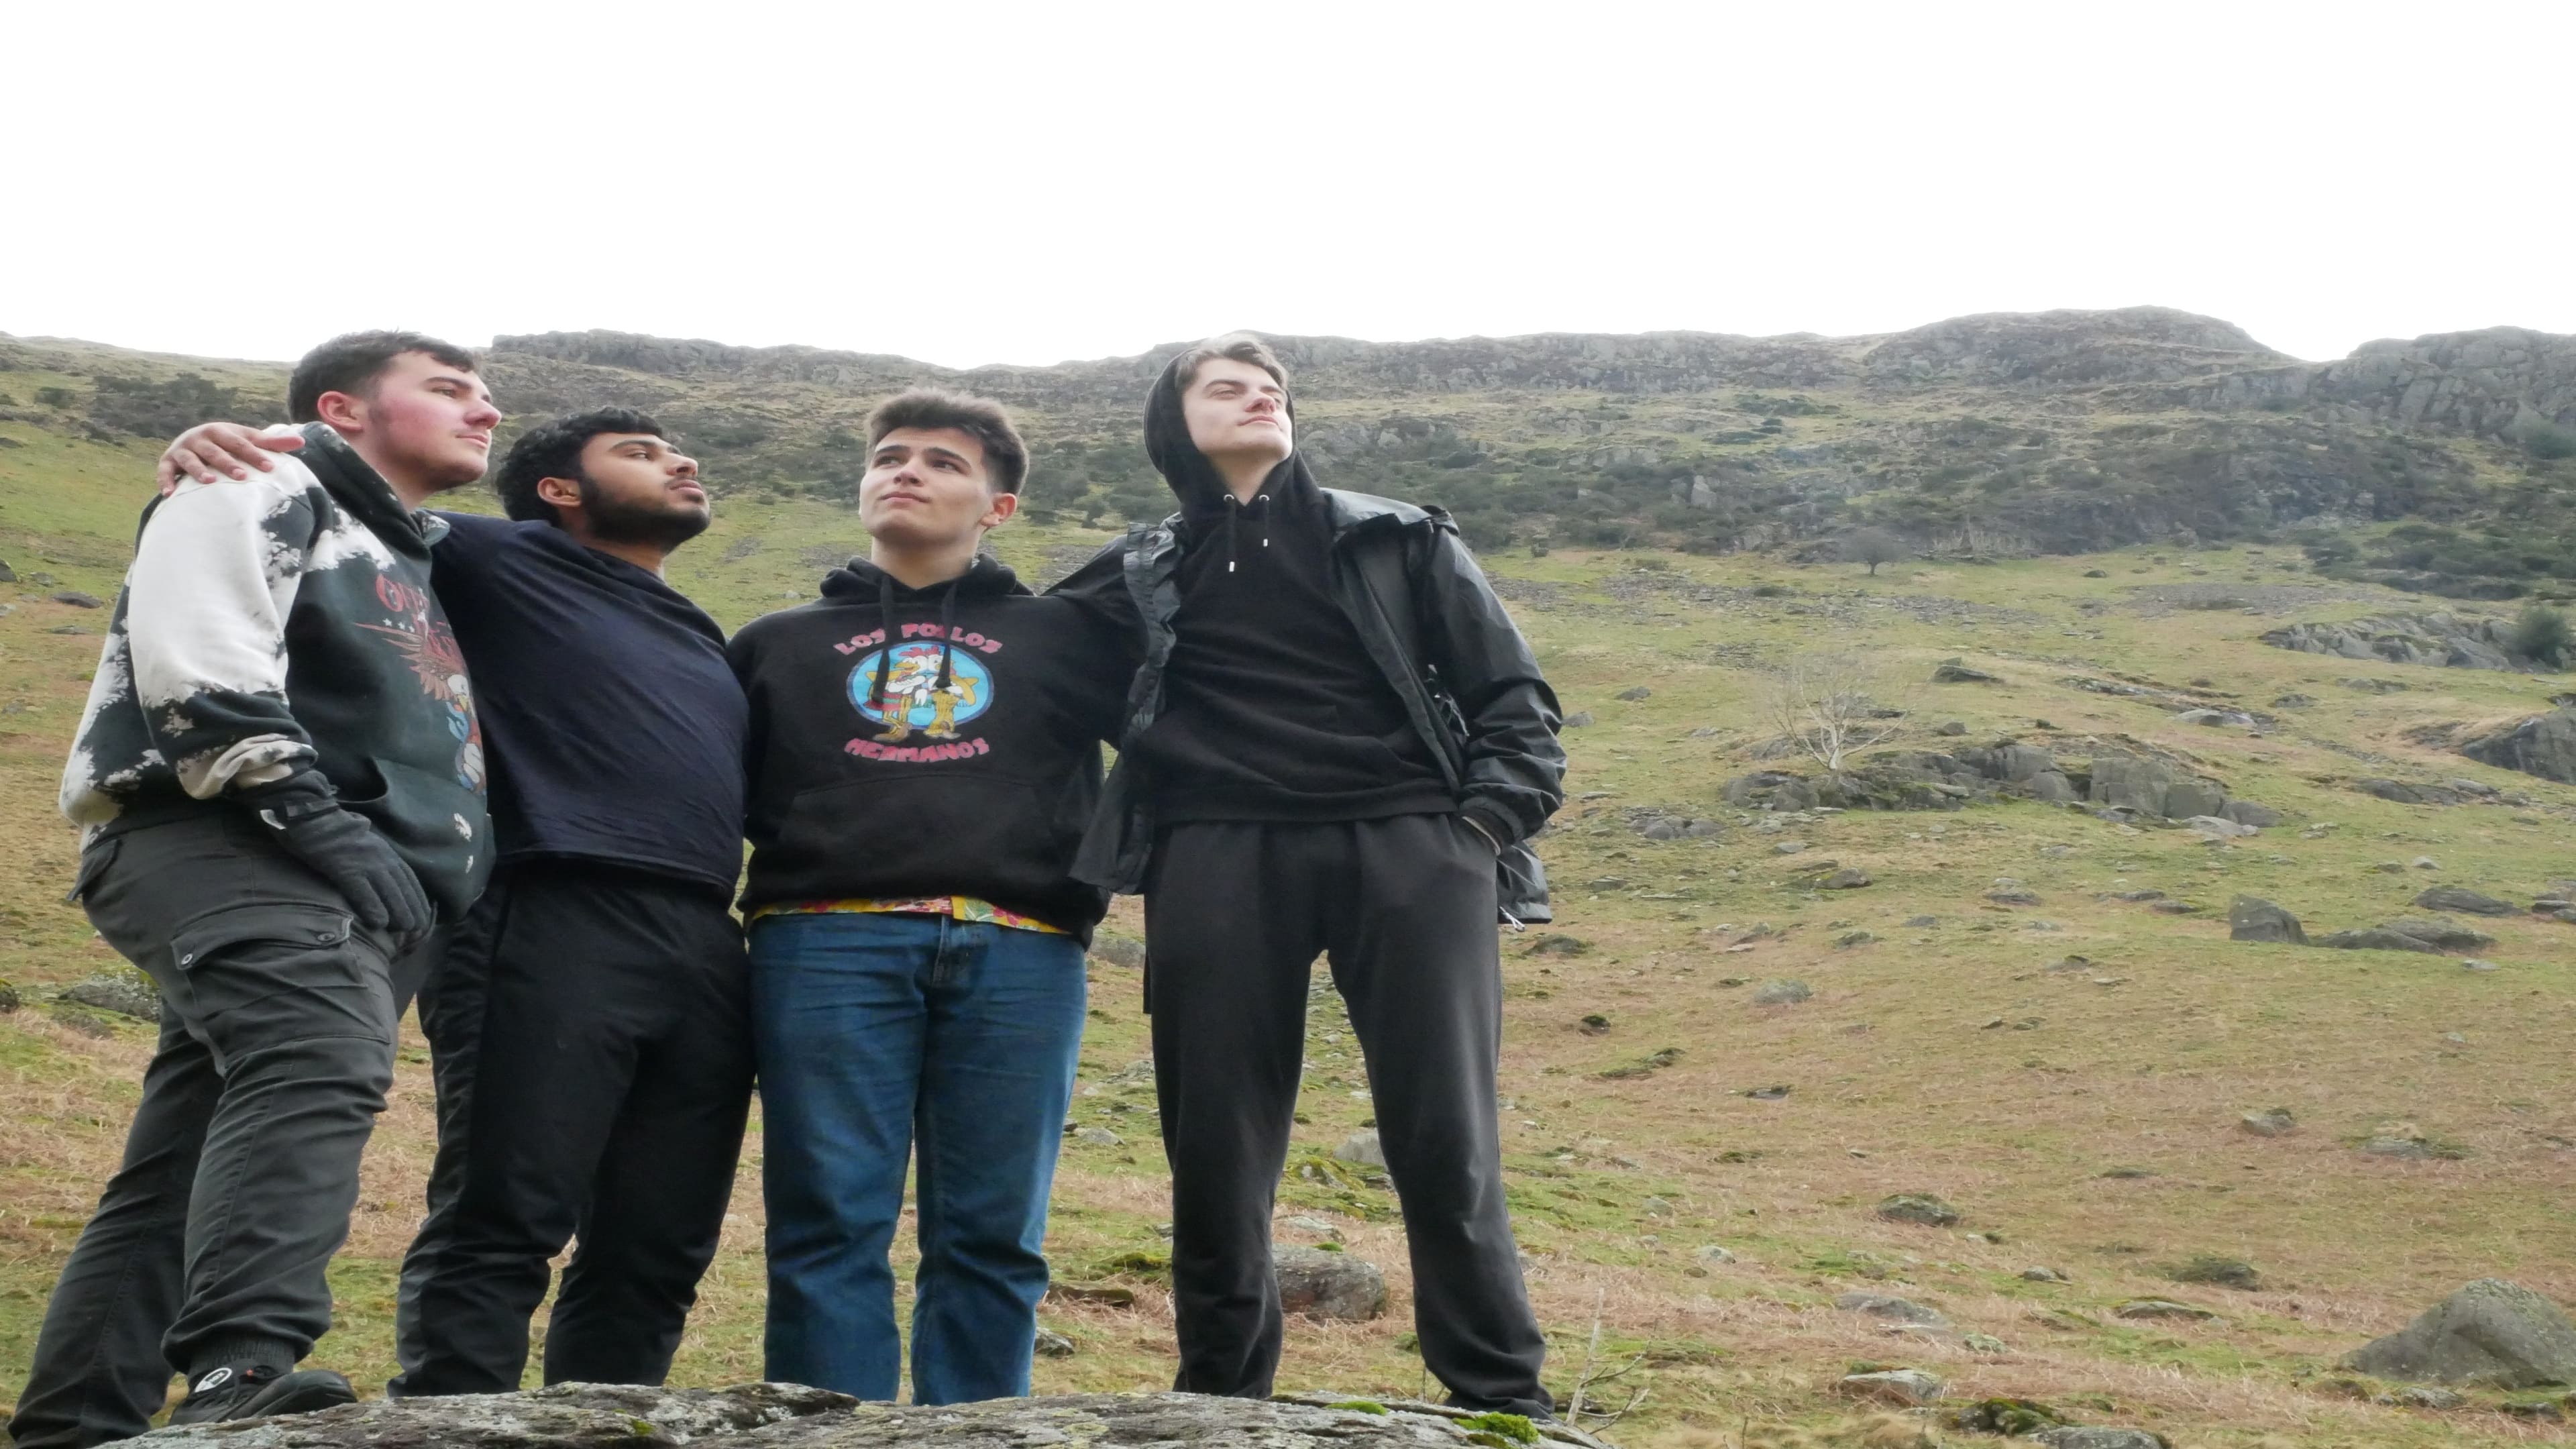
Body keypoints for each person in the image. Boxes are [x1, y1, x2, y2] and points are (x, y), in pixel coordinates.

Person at [147, 408, 754, 1397]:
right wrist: (233, 437)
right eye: (640, 454)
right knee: (505, 1211)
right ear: (559, 490)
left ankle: (610, 1422)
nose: (681, 461)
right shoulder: (486, 554)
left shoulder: (698, 626)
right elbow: (338, 491)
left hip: (705, 934)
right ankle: (450, 1417)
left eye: (677, 450)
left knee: (660, 1242)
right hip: (544, 904)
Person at [1059, 333, 1565, 1418]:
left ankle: (1500, 1399)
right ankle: (1220, 1394)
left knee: (1445, 1131)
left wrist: (1479, 829)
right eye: (1229, 388)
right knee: (1216, 1137)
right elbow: (1034, 662)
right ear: (1174, 421)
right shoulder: (1135, 567)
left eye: (1273, 389)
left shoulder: (1397, 536)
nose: (1261, 400)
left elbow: (1514, 696)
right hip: (1218, 846)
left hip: (1408, 842)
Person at [15, 332, 496, 1446]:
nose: (483, 412)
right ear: (343, 407)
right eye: (448, 389)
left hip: (359, 884)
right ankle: (241, 1369)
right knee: (315, 1054)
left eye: (485, 396)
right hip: (235, 838)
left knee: (180, 1160)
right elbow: (201, 651)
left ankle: (74, 1425)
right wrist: (308, 812)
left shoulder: (410, 548)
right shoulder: (258, 480)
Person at [726, 388, 1135, 1404]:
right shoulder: (775, 642)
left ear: (999, 507)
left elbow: (1183, 738)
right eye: (890, 457)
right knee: (827, 1218)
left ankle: (979, 1428)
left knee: (996, 1231)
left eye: (944, 462)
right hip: (823, 942)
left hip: (1025, 947)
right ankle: (831, 1429)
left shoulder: (1068, 637)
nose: (907, 471)